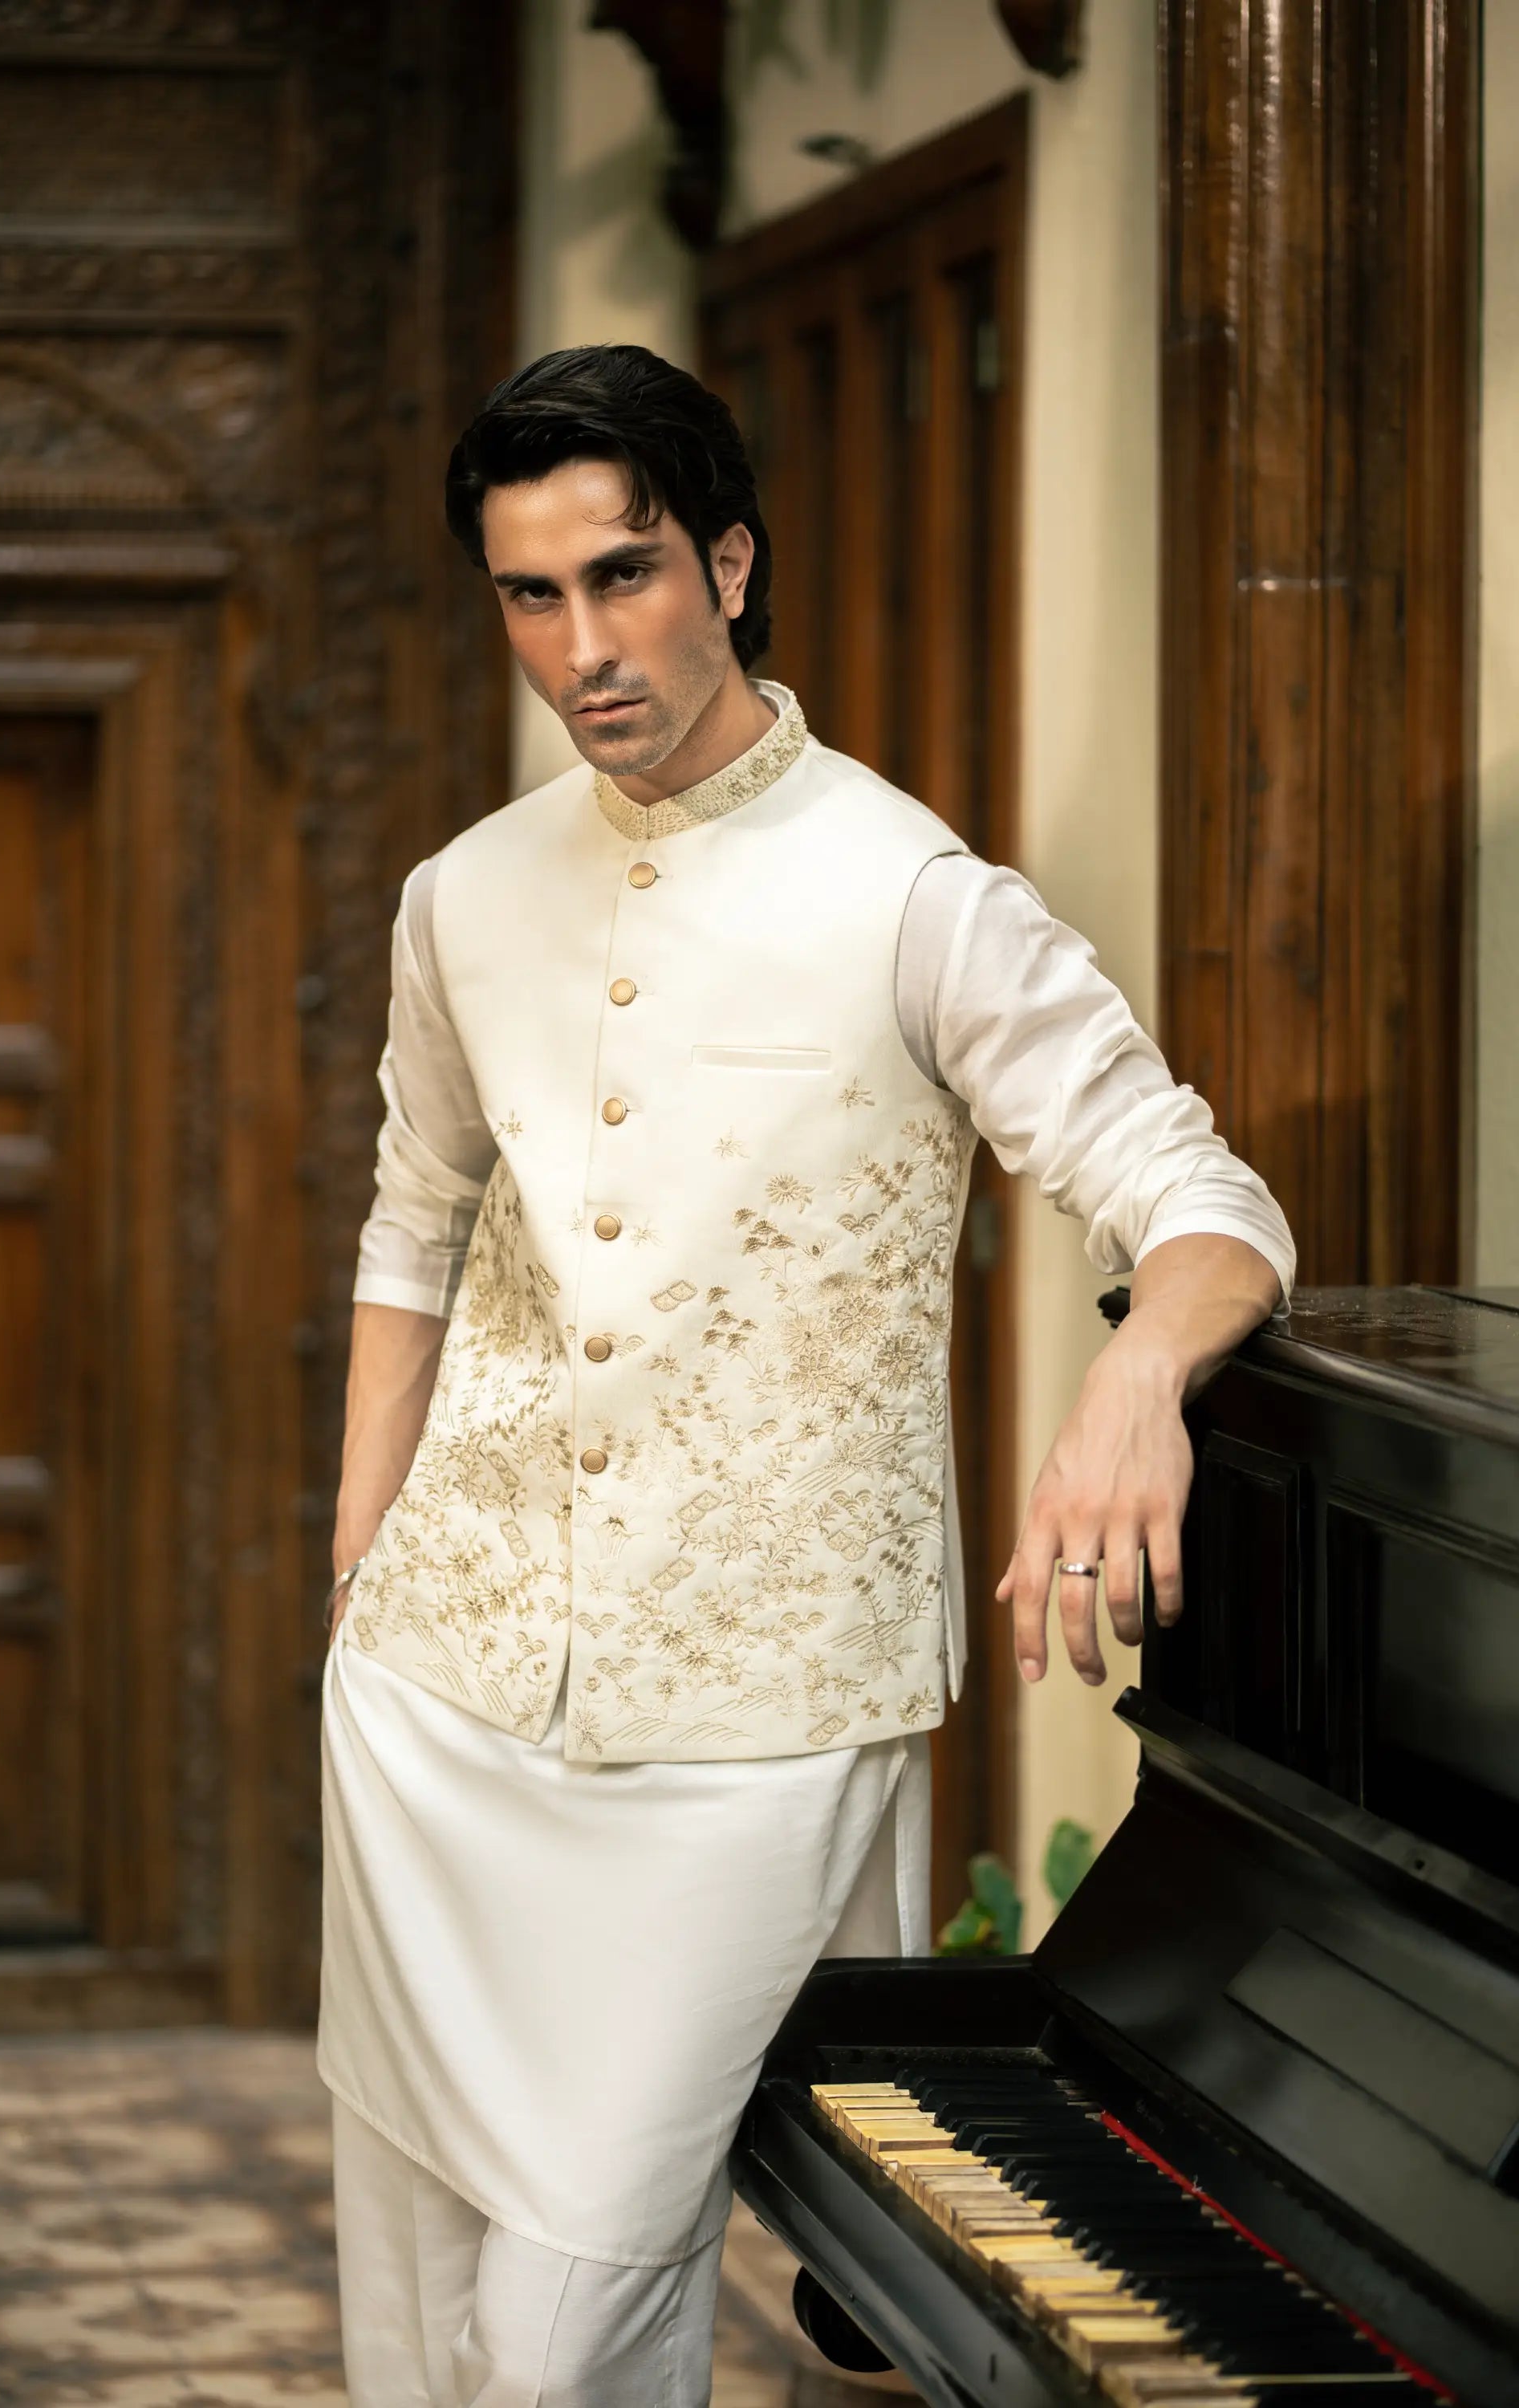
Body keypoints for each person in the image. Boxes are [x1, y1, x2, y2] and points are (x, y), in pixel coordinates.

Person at [318, 344, 1294, 2407]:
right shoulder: (461, 899)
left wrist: (1134, 1384)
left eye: (627, 574)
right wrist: (358, 1581)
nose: (584, 647)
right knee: (423, 2295)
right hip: (440, 1694)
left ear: (729, 564)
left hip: (758, 1718)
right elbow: (410, 1230)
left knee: (571, 2308)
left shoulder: (912, 895)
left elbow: (1200, 1200)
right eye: (530, 596)